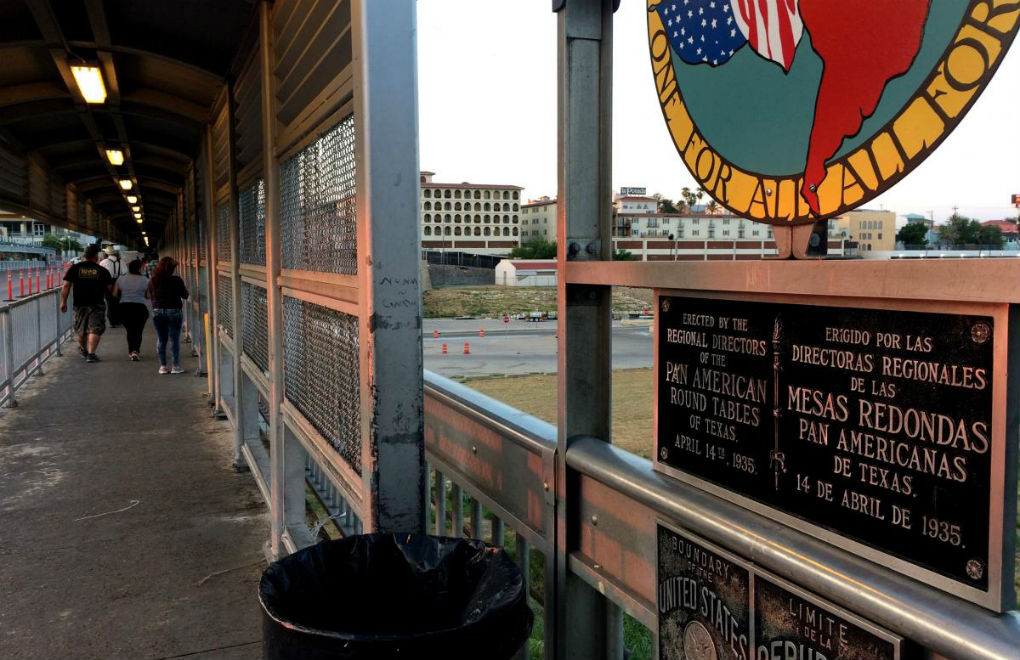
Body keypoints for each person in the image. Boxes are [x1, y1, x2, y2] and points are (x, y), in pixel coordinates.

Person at [60, 244, 114, 363]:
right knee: (95, 328)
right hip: (97, 303)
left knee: (81, 329)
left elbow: (66, 286)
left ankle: (84, 349)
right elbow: (110, 288)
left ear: (84, 256)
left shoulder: (75, 268)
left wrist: (63, 302)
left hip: (80, 303)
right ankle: (91, 354)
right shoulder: (102, 270)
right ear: (96, 256)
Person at [148, 256, 189, 374]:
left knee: (161, 339)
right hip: (174, 311)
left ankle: (163, 367)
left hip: (158, 311)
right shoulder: (176, 280)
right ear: (171, 268)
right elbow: (185, 295)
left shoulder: (153, 280)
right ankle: (175, 366)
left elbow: (151, 295)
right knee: (174, 339)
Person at [115, 259, 150, 361]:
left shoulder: (120, 279)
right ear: (140, 268)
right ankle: (135, 351)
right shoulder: (145, 280)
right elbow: (148, 296)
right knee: (138, 331)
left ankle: (132, 351)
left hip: (124, 308)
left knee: (130, 330)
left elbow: (114, 294)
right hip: (140, 308)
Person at [99, 248, 125, 327]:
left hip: (108, 283)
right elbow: (125, 272)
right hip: (119, 282)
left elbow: (100, 274)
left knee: (110, 303)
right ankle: (119, 320)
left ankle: (112, 321)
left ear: (107, 254)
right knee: (118, 301)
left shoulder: (103, 262)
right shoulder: (121, 261)